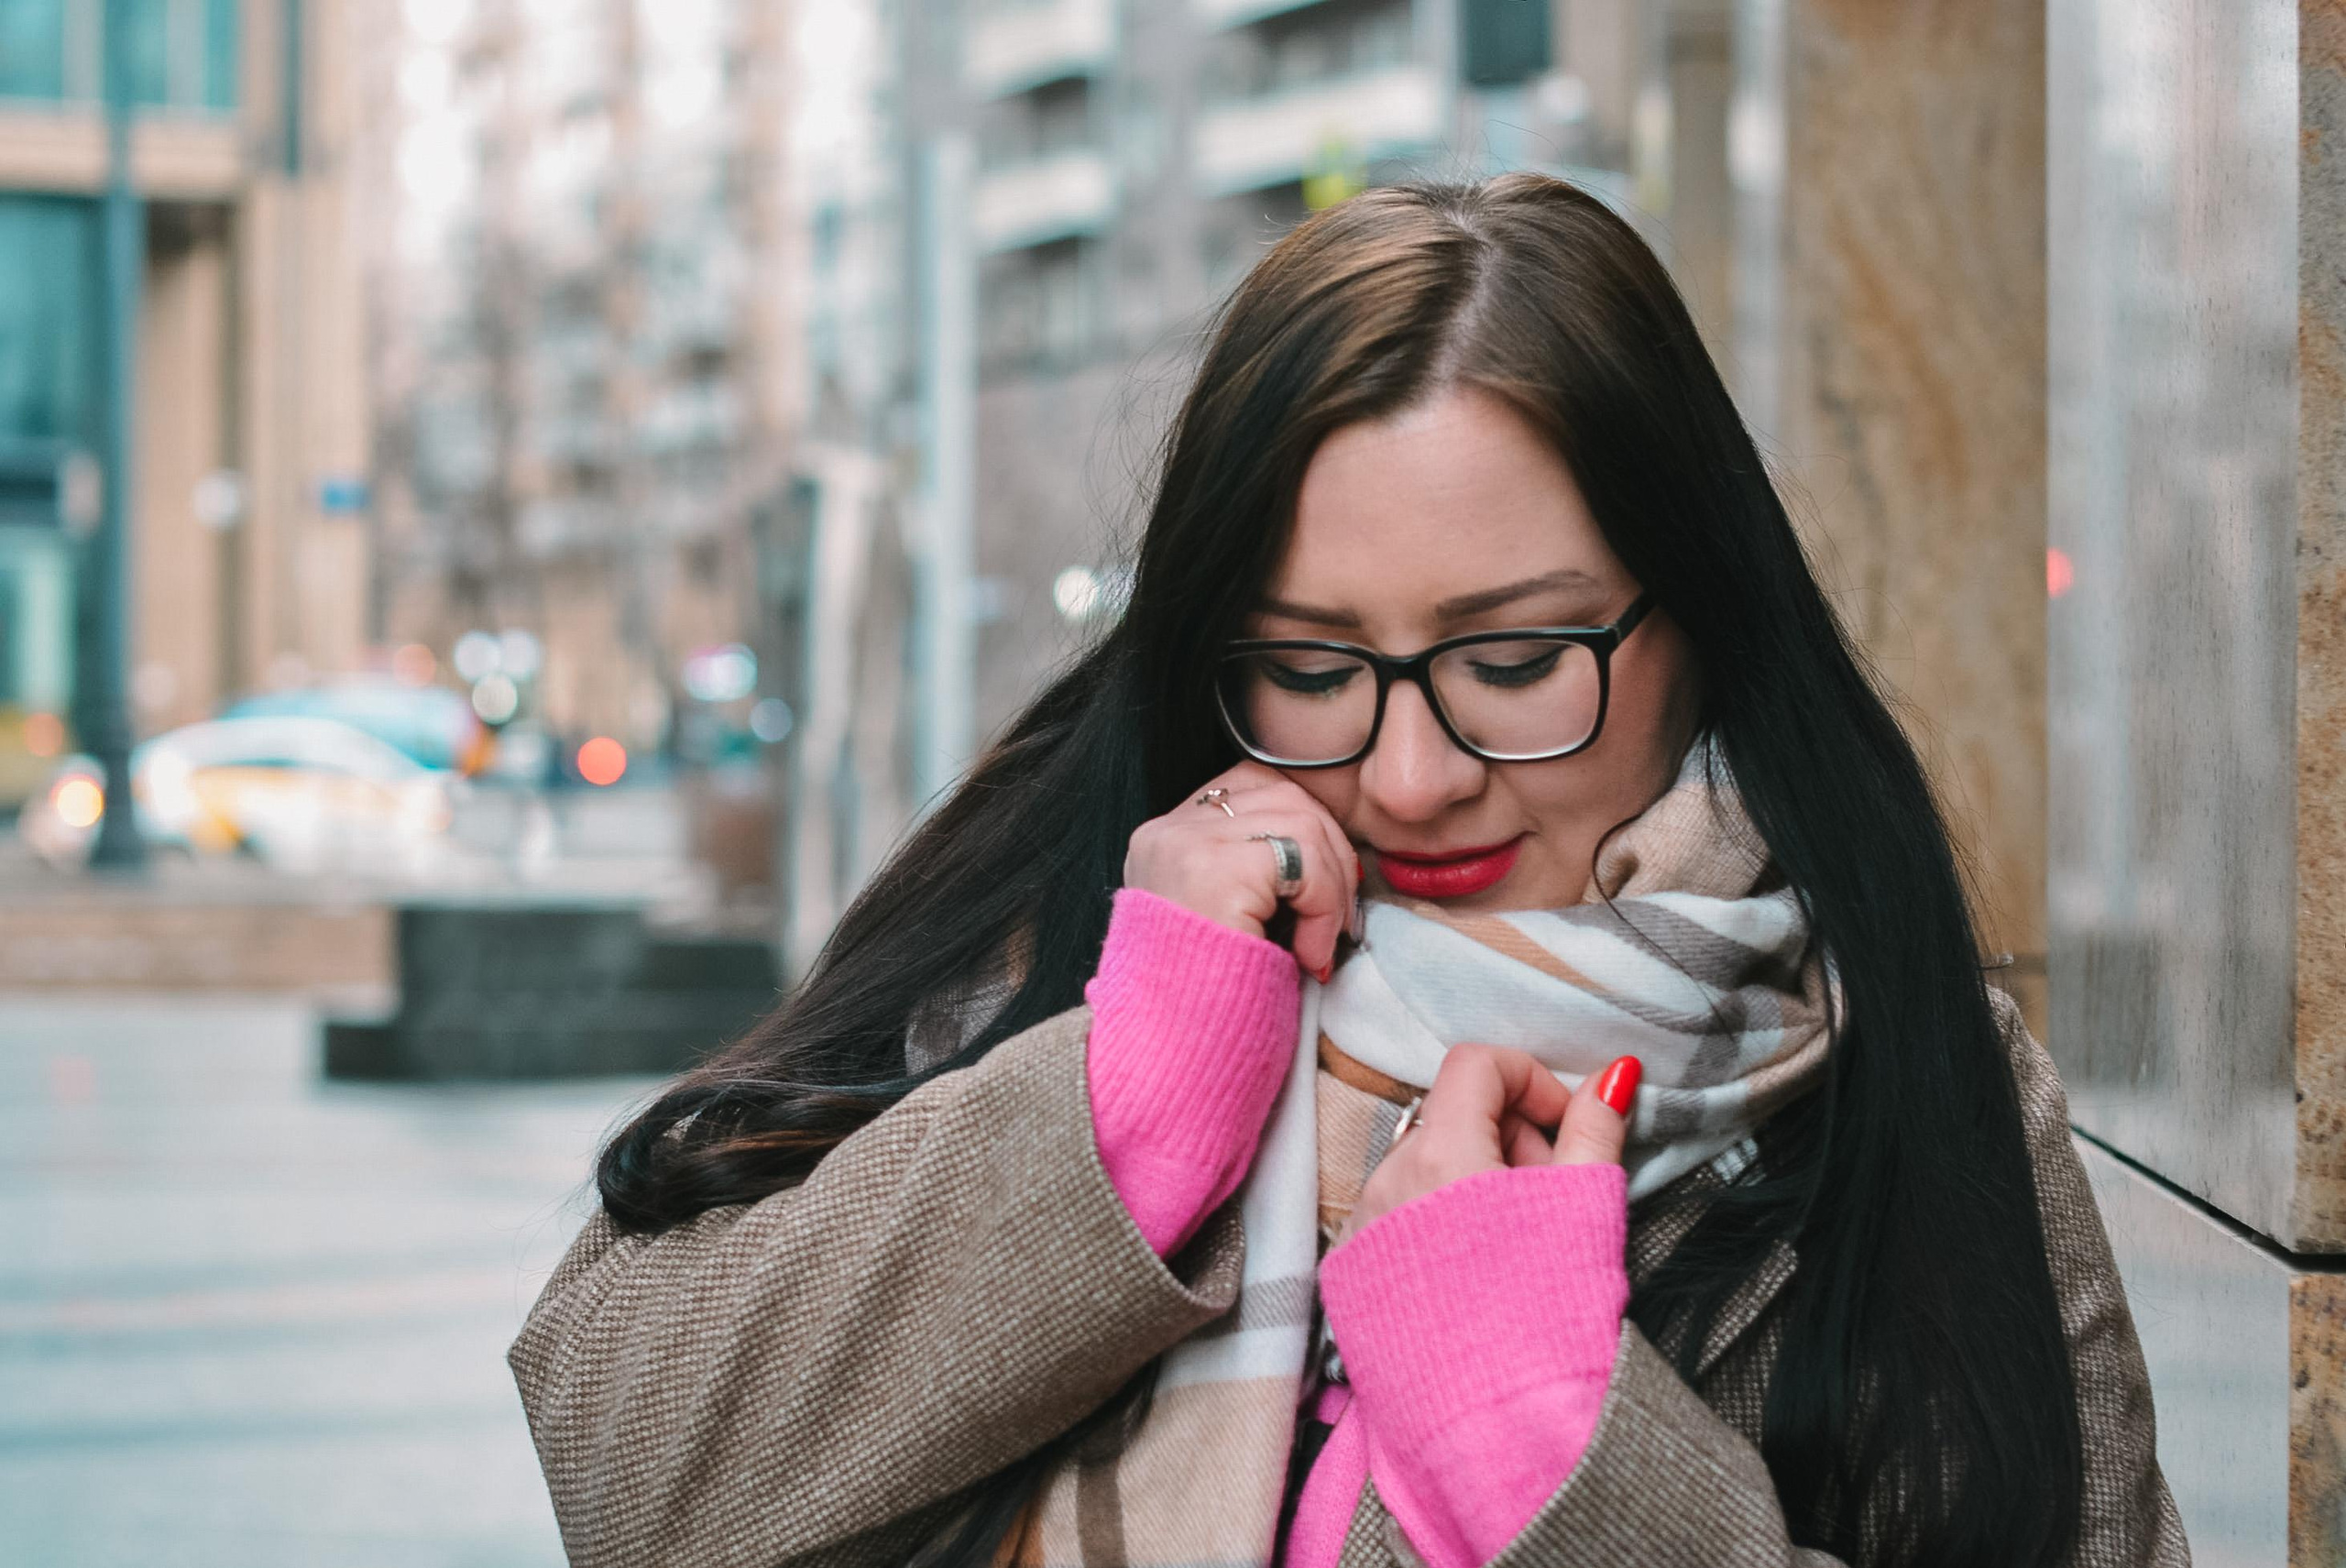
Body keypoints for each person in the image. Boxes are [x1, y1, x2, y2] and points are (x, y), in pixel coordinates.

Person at [510, 174, 2187, 1568]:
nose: (1410, 777)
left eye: (1517, 661)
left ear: (1700, 626)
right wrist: (1119, 1117)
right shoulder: (1072, 936)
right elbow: (625, 1470)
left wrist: (1550, 1447)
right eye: (1312, 670)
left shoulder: (1914, 1074)